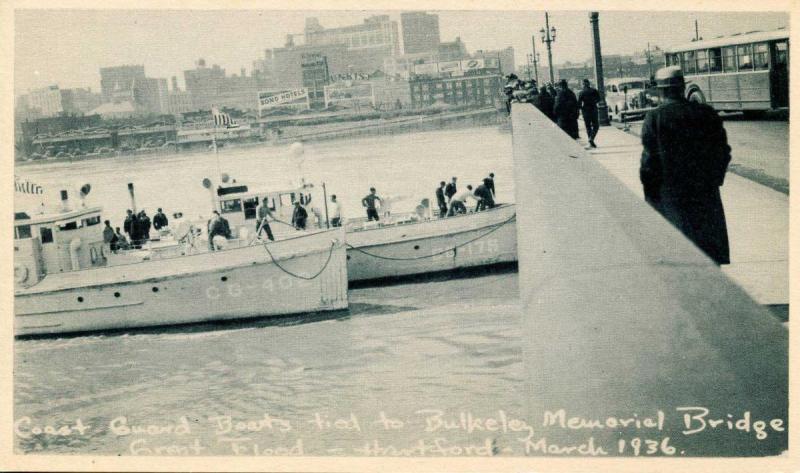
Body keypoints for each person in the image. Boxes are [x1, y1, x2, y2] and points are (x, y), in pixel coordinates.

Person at [640, 66, 732, 265]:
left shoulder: (654, 118)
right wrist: (715, 179)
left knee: (680, 252)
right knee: (708, 248)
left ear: (660, 91)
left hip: (671, 195)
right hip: (705, 193)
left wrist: (651, 195)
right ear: (682, 87)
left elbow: (649, 164)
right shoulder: (706, 113)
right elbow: (723, 152)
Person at [578, 79, 601, 148]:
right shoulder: (594, 91)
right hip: (593, 109)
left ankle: (590, 140)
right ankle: (591, 138)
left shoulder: (581, 92)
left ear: (583, 85)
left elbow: (579, 103)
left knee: (588, 127)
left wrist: (582, 109)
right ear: (589, 84)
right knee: (596, 126)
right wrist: (593, 102)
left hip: (585, 111)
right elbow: (599, 99)